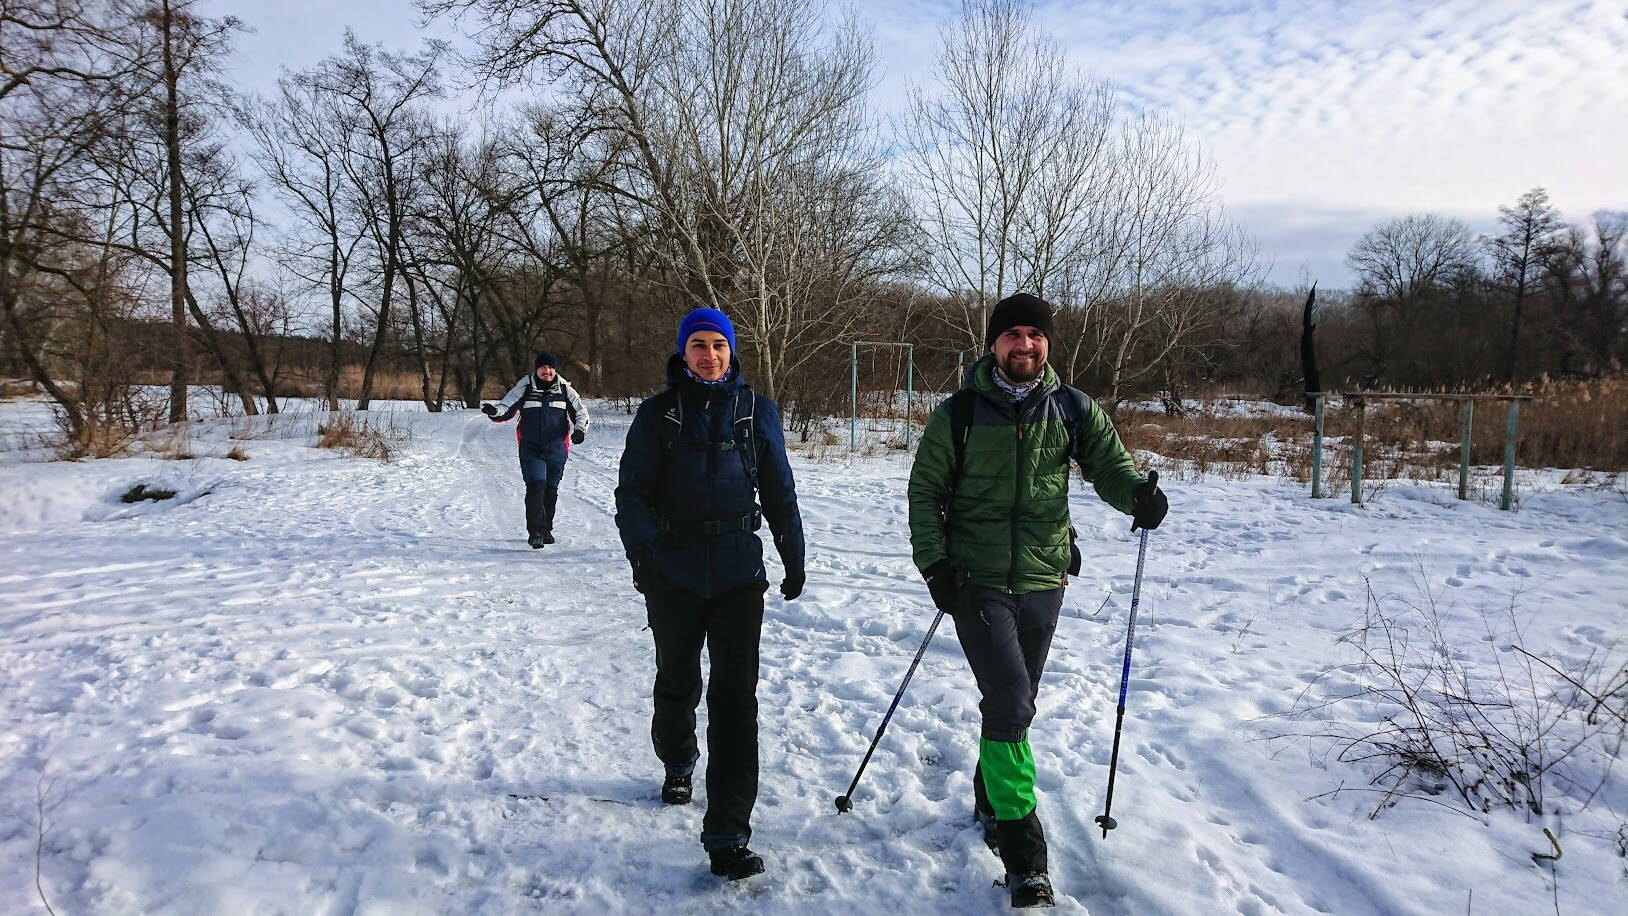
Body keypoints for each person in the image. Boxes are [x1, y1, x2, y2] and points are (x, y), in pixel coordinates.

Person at [906, 293, 1168, 909]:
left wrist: (1138, 495)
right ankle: (1024, 856)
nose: (1024, 345)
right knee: (1009, 700)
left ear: (1047, 343)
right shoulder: (960, 413)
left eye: (1035, 334)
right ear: (993, 344)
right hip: (976, 579)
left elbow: (1110, 467)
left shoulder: (1073, 408)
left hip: (1044, 577)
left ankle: (990, 798)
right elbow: (925, 492)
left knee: (1015, 705)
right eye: (1012, 335)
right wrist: (935, 565)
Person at [614, 307, 806, 882]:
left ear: (731, 351)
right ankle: (677, 758)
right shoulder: (658, 415)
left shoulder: (756, 411)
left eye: (718, 345)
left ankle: (728, 833)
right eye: (698, 344)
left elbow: (779, 491)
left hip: (738, 574)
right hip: (672, 573)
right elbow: (632, 494)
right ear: (683, 352)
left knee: (735, 699)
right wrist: (644, 557)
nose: (709, 355)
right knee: (677, 679)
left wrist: (793, 557)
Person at [482, 352, 591, 548]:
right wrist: (495, 412)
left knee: (550, 490)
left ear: (555, 369)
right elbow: (506, 407)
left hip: (557, 449)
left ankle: (546, 528)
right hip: (531, 447)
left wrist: (580, 430)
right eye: (542, 367)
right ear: (536, 369)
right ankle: (536, 532)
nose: (546, 371)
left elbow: (581, 413)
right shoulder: (525, 386)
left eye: (550, 367)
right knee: (535, 487)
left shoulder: (565, 389)